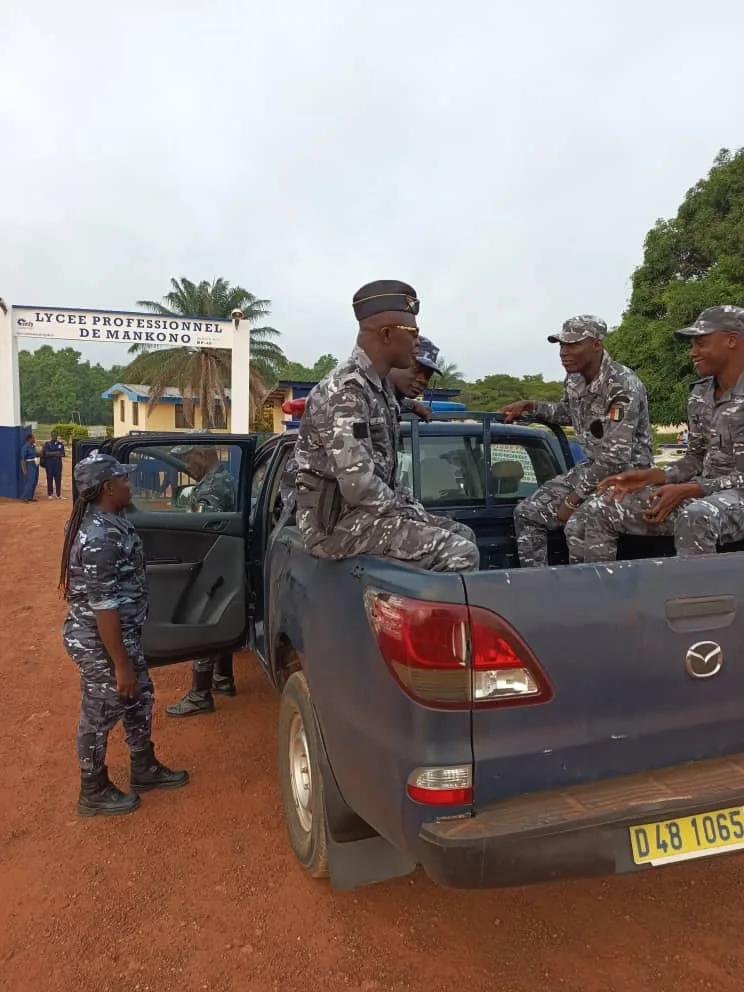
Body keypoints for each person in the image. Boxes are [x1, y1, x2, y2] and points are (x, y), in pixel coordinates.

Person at [293, 279, 480, 572]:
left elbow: (385, 408)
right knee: (460, 552)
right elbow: (358, 485)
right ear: (387, 334)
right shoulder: (345, 391)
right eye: (413, 333)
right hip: (336, 529)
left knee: (464, 534)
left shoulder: (377, 388)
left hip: (365, 517)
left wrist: (413, 406)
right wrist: (405, 510)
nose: (417, 342)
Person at [60, 452, 188, 816]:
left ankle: (143, 767)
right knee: (100, 709)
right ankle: (93, 789)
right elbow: (104, 608)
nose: (130, 485)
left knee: (139, 697)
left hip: (119, 635)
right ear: (107, 488)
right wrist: (120, 664)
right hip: (100, 640)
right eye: (124, 479)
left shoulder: (110, 523)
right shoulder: (100, 536)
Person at [578, 305, 744, 561]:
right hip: (706, 494)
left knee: (697, 516)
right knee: (602, 506)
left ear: (731, 340)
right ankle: (606, 585)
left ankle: (696, 587)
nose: (693, 352)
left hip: (722, 499)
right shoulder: (700, 394)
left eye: (701, 344)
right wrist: (652, 476)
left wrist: (691, 489)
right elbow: (696, 458)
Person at [501, 314, 653, 567]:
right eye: (562, 345)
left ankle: (590, 588)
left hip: (627, 475)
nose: (564, 352)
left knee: (580, 526)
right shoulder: (574, 379)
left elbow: (615, 458)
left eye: (573, 345)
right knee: (527, 513)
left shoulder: (622, 385)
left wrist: (572, 501)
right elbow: (567, 413)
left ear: (596, 344)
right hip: (593, 468)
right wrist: (530, 406)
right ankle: (536, 582)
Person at [165, 436, 239, 717]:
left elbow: (204, 531)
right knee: (221, 619)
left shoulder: (211, 488)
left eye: (188, 459)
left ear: (201, 455)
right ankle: (223, 678)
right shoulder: (226, 479)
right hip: (227, 562)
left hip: (212, 564)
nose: (186, 466)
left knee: (202, 626)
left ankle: (200, 694)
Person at [389, 335, 443, 420]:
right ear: (397, 361)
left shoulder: (390, 399)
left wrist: (415, 406)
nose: (423, 381)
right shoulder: (369, 394)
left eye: (428, 376)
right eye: (417, 370)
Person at [42, 431, 65, 499]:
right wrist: (57, 453)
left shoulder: (60, 444)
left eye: (55, 435)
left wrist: (51, 453)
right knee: (49, 479)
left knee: (58, 479)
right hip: (50, 465)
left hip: (58, 465)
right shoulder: (47, 444)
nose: (54, 437)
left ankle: (58, 494)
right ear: (51, 436)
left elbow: (62, 454)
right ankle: (50, 494)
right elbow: (46, 453)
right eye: (53, 435)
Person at [20, 433, 40, 502]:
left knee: (35, 481)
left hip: (35, 464)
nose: (34, 439)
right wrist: (24, 469)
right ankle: (24, 497)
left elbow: (36, 454)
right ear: (29, 439)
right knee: (30, 482)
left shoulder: (33, 447)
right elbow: (23, 459)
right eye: (33, 438)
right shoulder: (25, 447)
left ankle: (30, 497)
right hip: (29, 465)